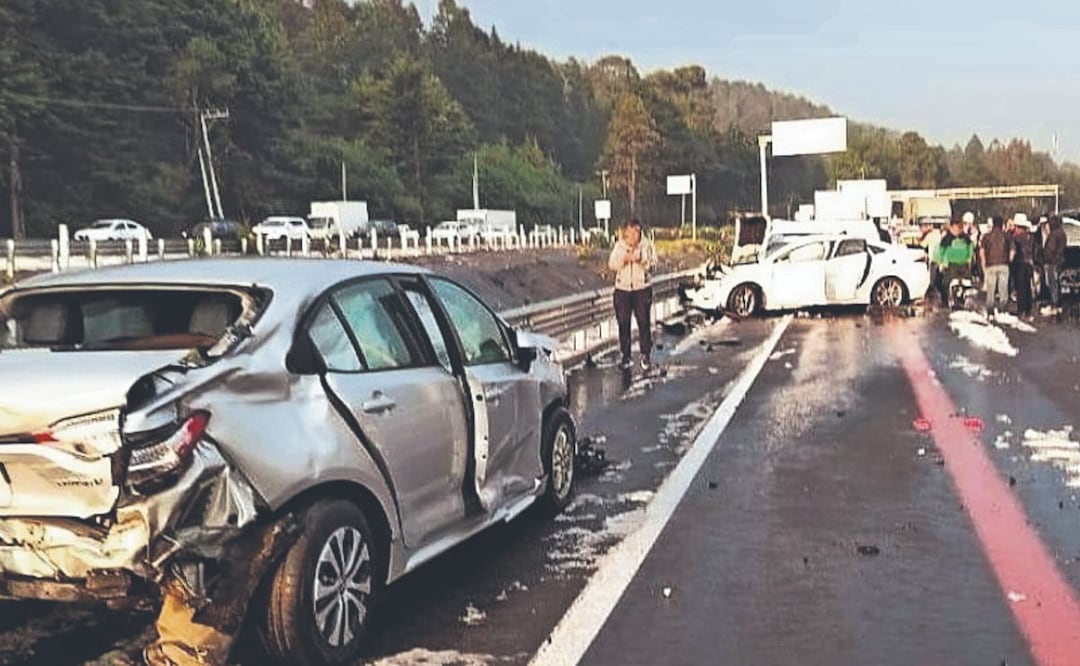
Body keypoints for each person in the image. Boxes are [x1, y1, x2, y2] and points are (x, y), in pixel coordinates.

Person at [608, 219, 658, 370]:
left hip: (642, 289)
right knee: (623, 323)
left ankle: (645, 355)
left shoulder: (647, 245)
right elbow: (611, 264)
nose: (632, 235)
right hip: (623, 289)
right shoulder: (619, 246)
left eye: (636, 232)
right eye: (629, 232)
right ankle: (626, 355)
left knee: (643, 323)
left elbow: (654, 265)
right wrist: (624, 260)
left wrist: (641, 259)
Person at [936, 218, 975, 308]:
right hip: (951, 265)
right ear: (951, 227)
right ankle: (946, 301)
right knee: (947, 283)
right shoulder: (947, 239)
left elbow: (970, 247)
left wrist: (969, 258)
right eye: (956, 227)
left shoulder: (965, 238)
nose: (958, 229)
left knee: (966, 283)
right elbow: (941, 251)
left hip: (963, 264)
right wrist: (941, 262)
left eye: (959, 227)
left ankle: (962, 299)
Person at [980, 216, 1012, 318]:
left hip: (990, 265)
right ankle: (1002, 309)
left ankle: (990, 309)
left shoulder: (986, 236)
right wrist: (1009, 260)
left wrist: (984, 264)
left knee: (991, 288)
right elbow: (1012, 250)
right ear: (1002, 224)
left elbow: (982, 252)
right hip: (1004, 264)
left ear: (993, 224)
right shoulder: (1007, 236)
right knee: (1003, 288)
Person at [1011, 214, 1036, 318]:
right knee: (1028, 287)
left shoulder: (1016, 238)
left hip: (1020, 264)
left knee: (1020, 288)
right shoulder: (1031, 237)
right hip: (1030, 264)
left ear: (1017, 226)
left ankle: (1021, 310)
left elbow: (1013, 252)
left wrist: (1010, 262)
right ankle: (1028, 310)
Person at [1042, 215, 1068, 314]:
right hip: (1059, 261)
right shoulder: (1062, 233)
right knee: (1057, 283)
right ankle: (1058, 304)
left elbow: (1050, 249)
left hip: (1052, 262)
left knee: (1052, 284)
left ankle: (1054, 304)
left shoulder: (1054, 234)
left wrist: (1046, 257)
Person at [920, 220, 945, 302]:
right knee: (939, 280)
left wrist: (923, 235)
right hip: (940, 260)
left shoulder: (931, 235)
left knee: (932, 281)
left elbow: (922, 244)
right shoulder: (941, 236)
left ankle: (928, 298)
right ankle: (942, 297)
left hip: (933, 260)